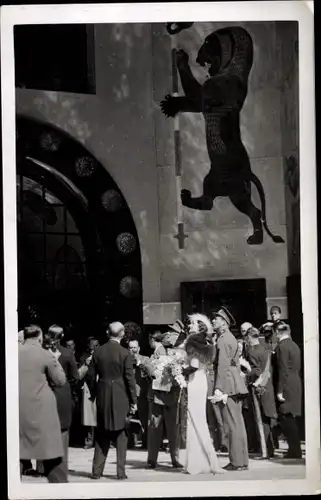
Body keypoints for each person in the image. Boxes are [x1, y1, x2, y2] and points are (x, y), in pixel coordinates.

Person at [19, 325, 68, 482]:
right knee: (51, 454)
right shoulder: (45, 354)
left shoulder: (12, 353)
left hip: (17, 407)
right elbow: (60, 380)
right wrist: (55, 358)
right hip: (41, 408)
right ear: (39, 337)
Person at [89, 322, 137, 480]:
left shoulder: (98, 352)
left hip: (103, 392)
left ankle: (97, 471)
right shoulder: (125, 353)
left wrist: (94, 393)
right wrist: (133, 401)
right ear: (122, 334)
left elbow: (90, 376)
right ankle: (121, 472)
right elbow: (130, 379)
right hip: (120, 393)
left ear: (107, 332)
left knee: (102, 433)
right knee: (121, 433)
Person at [135, 330, 183, 470]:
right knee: (168, 429)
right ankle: (172, 458)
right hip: (162, 395)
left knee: (158, 428)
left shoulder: (172, 353)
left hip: (163, 396)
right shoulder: (162, 352)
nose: (170, 337)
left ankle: (154, 459)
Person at [183, 314, 223, 475]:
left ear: (200, 327)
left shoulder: (192, 341)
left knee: (196, 421)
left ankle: (209, 462)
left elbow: (193, 365)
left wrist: (180, 371)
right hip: (201, 380)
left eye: (193, 323)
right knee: (196, 420)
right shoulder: (206, 342)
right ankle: (200, 463)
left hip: (194, 381)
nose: (190, 326)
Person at [211, 307, 249, 471]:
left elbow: (223, 365)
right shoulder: (230, 337)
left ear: (224, 323)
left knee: (232, 424)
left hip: (228, 383)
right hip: (234, 382)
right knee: (238, 423)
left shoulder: (222, 339)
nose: (213, 321)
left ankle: (237, 461)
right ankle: (242, 460)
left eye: (217, 319)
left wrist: (219, 388)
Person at [46, 325, 79, 471]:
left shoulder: (42, 352)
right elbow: (75, 377)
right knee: (63, 430)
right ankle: (61, 465)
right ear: (63, 335)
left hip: (45, 392)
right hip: (63, 392)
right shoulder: (67, 353)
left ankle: (44, 466)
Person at [245, 327, 277, 459]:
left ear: (249, 337)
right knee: (267, 419)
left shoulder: (252, 351)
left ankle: (265, 451)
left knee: (260, 419)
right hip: (268, 385)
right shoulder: (265, 348)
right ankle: (270, 449)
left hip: (258, 387)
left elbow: (256, 371)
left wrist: (246, 370)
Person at [274, 322, 302, 459]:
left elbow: (282, 369)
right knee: (290, 417)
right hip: (295, 382)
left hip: (287, 384)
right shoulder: (294, 345)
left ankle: (294, 450)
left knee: (286, 416)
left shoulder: (282, 347)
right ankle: (294, 449)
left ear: (277, 332)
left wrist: (280, 390)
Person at [79, 337, 100, 449]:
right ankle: (89, 440)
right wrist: (86, 364)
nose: (95, 347)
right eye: (93, 345)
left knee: (100, 415)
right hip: (88, 388)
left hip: (100, 387)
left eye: (97, 345)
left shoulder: (102, 355)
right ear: (89, 346)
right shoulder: (84, 357)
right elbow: (78, 375)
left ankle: (102, 441)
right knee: (89, 417)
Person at [128, 339, 149, 449]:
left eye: (134, 347)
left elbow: (150, 373)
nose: (132, 350)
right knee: (128, 420)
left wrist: (139, 363)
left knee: (144, 419)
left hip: (142, 394)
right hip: (129, 394)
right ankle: (129, 442)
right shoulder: (125, 361)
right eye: (130, 348)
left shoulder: (145, 359)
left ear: (139, 348)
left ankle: (146, 442)